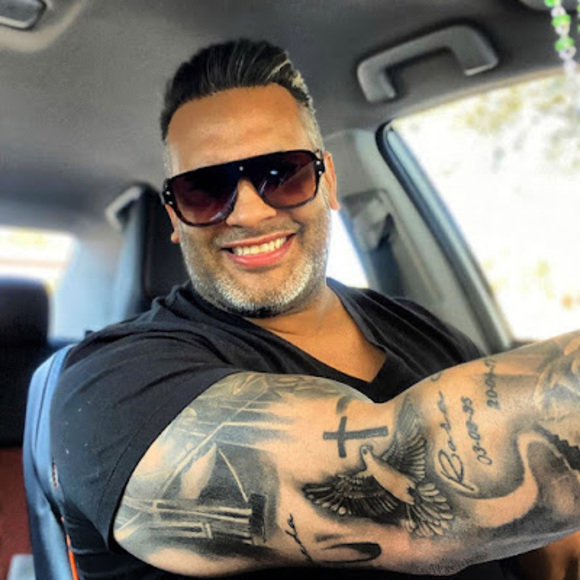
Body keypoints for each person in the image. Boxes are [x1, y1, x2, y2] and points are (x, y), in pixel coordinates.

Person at [51, 39, 580, 580]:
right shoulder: (107, 387)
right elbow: (415, 500)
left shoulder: (425, 330)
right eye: (204, 189)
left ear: (328, 180)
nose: (249, 213)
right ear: (174, 215)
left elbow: (549, 543)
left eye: (283, 173)